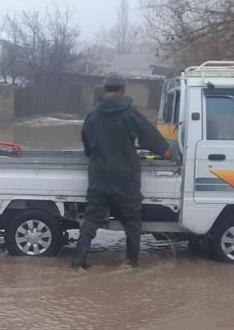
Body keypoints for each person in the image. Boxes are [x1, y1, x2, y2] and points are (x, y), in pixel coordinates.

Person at [73, 73, 171, 269]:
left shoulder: (92, 115)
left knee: (92, 219)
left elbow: (87, 148)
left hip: (99, 176)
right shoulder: (130, 113)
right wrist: (166, 151)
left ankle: (79, 261)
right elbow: (149, 135)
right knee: (132, 221)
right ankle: (131, 264)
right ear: (123, 89)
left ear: (105, 89)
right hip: (126, 177)